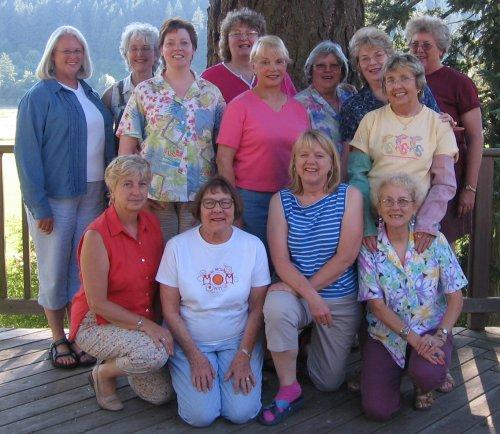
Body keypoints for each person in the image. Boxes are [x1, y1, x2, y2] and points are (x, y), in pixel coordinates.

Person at [14, 26, 115, 370]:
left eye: (77, 51)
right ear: (52, 57)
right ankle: (57, 338)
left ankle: (78, 335)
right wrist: (38, 205)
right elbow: (27, 156)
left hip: (92, 194)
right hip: (55, 199)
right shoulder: (38, 97)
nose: (73, 56)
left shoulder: (88, 93)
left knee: (82, 270)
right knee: (55, 269)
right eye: (65, 51)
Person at [260, 130, 363, 426]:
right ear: (294, 163)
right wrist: (311, 297)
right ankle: (288, 387)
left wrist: (312, 296)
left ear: (332, 163)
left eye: (319, 155)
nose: (311, 162)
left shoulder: (350, 196)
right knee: (277, 307)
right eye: (303, 155)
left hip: (337, 297)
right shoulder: (282, 200)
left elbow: (345, 257)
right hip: (297, 293)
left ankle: (303, 346)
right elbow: (281, 261)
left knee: (327, 382)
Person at [159, 176, 270, 427]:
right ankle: (187, 371)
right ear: (198, 209)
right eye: (209, 203)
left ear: (235, 208)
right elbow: (170, 310)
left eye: (225, 203)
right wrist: (195, 357)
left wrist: (244, 354)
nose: (217, 210)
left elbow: (256, 309)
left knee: (241, 414)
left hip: (238, 341)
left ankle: (232, 369)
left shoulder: (253, 246)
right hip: (192, 342)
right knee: (201, 417)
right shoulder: (177, 247)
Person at [358, 173, 466, 420]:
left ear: (416, 206)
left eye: (403, 201)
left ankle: (422, 381)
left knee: (429, 373)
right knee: (378, 410)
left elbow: (456, 297)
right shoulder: (370, 247)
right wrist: (415, 342)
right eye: (388, 201)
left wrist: (441, 335)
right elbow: (375, 306)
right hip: (387, 336)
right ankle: (401, 368)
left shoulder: (435, 240)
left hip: (430, 331)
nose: (396, 207)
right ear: (378, 207)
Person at [70, 155, 174, 411]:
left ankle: (121, 355)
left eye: (142, 184)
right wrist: (149, 327)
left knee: (161, 396)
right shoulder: (97, 235)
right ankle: (102, 374)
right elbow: (98, 304)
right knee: (153, 354)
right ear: (112, 189)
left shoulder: (150, 221)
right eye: (127, 184)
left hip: (138, 317)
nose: (136, 191)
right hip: (98, 322)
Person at [117, 18, 225, 242]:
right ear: (161, 50)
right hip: (155, 195)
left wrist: (217, 189)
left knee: (192, 259)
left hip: (199, 195)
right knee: (157, 258)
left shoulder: (211, 93)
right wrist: (136, 192)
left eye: (184, 43)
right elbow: (126, 150)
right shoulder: (145, 92)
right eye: (170, 43)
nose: (178, 48)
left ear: (193, 49)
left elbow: (223, 147)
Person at [348, 53, 458, 254]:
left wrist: (426, 223)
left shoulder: (438, 124)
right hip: (374, 224)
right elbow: (357, 177)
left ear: (418, 84)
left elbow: (444, 183)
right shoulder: (370, 121)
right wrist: (365, 225)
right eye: (390, 80)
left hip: (419, 226)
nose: (397, 86)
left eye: (404, 78)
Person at [217, 35, 309, 247]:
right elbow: (224, 160)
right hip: (250, 200)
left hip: (292, 198)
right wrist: (233, 204)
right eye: (265, 62)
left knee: (289, 260)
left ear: (286, 65)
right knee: (256, 262)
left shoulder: (299, 110)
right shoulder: (239, 107)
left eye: (279, 61)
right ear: (253, 65)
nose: (273, 68)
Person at [406, 15, 484, 244]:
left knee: (441, 247)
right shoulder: (402, 81)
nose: (419, 50)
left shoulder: (459, 83)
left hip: (446, 181)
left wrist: (470, 188)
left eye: (426, 45)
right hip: (409, 180)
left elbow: (475, 137)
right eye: (414, 44)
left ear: (441, 50)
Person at [339, 27, 441, 146]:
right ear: (358, 65)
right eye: (365, 58)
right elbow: (351, 155)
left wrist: (445, 121)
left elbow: (438, 128)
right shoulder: (352, 107)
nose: (372, 62)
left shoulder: (416, 90)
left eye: (378, 55)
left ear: (389, 56)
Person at [201, 7, 296, 103]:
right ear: (226, 41)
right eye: (236, 33)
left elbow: (294, 110)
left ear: (261, 39)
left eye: (250, 33)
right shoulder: (209, 78)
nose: (243, 38)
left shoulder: (277, 74)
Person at [295, 40, 355, 176]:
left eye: (334, 65)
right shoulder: (299, 104)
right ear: (310, 70)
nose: (328, 70)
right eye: (321, 66)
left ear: (342, 70)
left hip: (355, 178)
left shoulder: (350, 96)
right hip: (318, 180)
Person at [102, 22, 160, 136]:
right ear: (126, 54)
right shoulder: (111, 95)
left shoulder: (167, 91)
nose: (139, 53)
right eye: (133, 48)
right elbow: (103, 137)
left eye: (146, 48)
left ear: (156, 54)